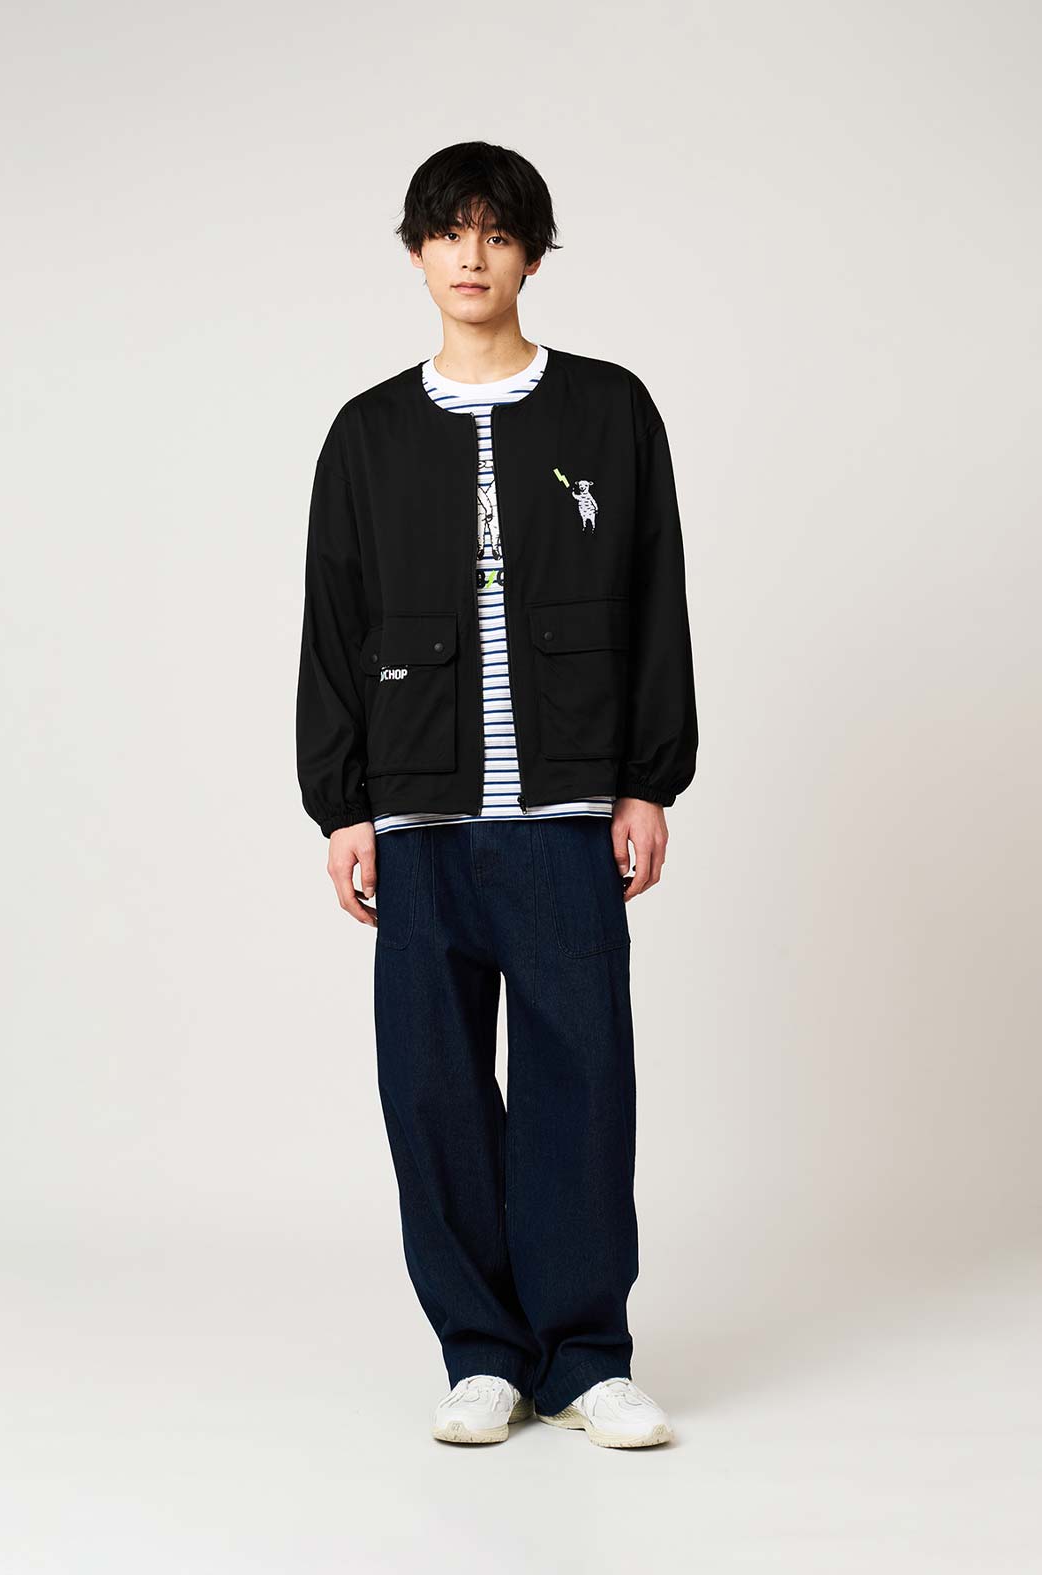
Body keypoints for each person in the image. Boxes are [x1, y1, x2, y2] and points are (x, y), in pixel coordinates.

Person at [296, 141, 698, 1448]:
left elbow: (654, 600)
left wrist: (646, 781)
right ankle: (481, 1354)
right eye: (448, 233)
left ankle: (585, 1359)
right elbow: (333, 625)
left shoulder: (608, 412)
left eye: (498, 233)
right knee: (434, 1093)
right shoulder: (367, 433)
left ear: (531, 254)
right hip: (420, 824)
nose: (471, 257)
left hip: (566, 816)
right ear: (417, 252)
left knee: (583, 1084)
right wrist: (342, 806)